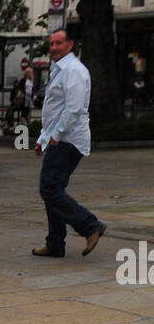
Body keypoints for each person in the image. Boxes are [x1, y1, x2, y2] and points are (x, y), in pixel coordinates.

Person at [32, 28, 107, 258]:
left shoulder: (73, 70)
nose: (54, 47)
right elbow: (55, 109)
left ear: (70, 45)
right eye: (51, 43)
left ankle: (90, 225)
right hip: (58, 138)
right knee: (53, 189)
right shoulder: (60, 70)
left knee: (49, 188)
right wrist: (43, 138)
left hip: (68, 139)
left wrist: (55, 135)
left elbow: (73, 109)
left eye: (59, 43)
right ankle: (55, 243)